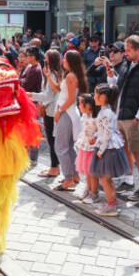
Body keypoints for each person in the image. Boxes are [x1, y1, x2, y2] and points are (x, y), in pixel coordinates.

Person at [107, 35, 139, 201]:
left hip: (133, 116)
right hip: (123, 114)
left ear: (138, 50)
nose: (126, 53)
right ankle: (129, 180)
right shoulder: (128, 65)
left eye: (128, 50)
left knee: (137, 151)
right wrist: (111, 77)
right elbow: (119, 87)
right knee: (127, 148)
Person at [45, 50, 84, 191]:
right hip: (66, 112)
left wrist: (59, 112)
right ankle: (74, 175)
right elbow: (57, 89)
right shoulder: (68, 74)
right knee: (68, 146)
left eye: (65, 59)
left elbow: (72, 99)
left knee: (60, 147)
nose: (62, 60)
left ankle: (68, 178)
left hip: (67, 112)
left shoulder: (71, 76)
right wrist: (48, 76)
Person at [90, 84, 130, 216]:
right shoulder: (105, 110)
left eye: (95, 94)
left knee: (105, 178)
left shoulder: (106, 112)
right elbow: (103, 131)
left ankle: (111, 205)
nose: (93, 96)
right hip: (106, 146)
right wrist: (95, 137)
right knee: (106, 177)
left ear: (102, 97)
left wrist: (100, 150)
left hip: (107, 148)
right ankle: (112, 202)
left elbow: (106, 134)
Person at [31, 49, 61, 178]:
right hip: (52, 110)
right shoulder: (55, 73)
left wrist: (30, 95)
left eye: (46, 58)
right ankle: (55, 167)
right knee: (53, 140)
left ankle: (54, 168)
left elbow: (48, 95)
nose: (44, 59)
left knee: (52, 140)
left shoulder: (52, 74)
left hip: (51, 111)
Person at [75, 94, 101, 203]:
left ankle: (94, 193)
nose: (79, 106)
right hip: (84, 146)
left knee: (92, 172)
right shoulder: (84, 116)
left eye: (81, 104)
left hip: (92, 148)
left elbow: (101, 130)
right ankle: (89, 189)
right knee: (87, 171)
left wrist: (95, 137)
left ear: (88, 106)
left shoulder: (96, 118)